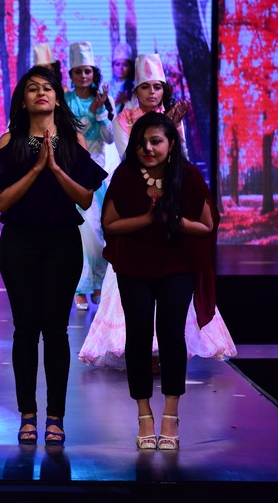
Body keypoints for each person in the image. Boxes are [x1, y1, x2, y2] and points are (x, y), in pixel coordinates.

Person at [0, 66, 107, 446]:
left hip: (61, 243)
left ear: (57, 97)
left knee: (55, 331)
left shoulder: (73, 141)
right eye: (32, 89)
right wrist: (37, 167)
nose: (41, 93)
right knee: (25, 329)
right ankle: (27, 415)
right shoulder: (10, 141)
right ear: (23, 100)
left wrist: (54, 168)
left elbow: (85, 198)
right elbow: (2, 201)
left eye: (48, 88)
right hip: (19, 243)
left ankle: (55, 417)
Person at [101, 111, 218, 450]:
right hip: (134, 266)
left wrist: (174, 221)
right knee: (137, 336)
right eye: (142, 143)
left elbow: (207, 225)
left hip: (176, 266)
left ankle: (170, 414)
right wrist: (148, 218)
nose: (148, 148)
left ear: (171, 143)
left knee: (171, 334)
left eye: (156, 141)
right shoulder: (126, 175)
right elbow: (110, 223)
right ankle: (143, 416)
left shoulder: (187, 174)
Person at [65, 41, 114, 311]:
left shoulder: (104, 101)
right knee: (80, 232)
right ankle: (80, 288)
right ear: (71, 74)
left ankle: (97, 282)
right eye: (78, 71)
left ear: (94, 73)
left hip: (95, 174)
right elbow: (71, 135)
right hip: (72, 172)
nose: (84, 76)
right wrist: (90, 113)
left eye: (88, 71)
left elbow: (109, 138)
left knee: (96, 231)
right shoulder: (65, 101)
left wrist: (101, 113)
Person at [110, 43, 135, 114]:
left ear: (130, 68)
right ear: (113, 67)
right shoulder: (107, 86)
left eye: (125, 65)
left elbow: (137, 111)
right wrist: (115, 103)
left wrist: (126, 101)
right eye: (117, 64)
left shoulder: (134, 86)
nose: (121, 68)